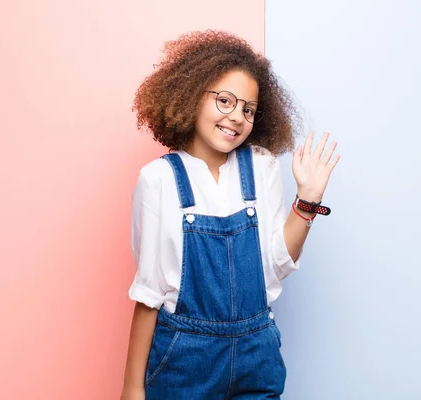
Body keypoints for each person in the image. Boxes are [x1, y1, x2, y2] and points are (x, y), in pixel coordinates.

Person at [121, 30, 340, 400]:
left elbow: (276, 264)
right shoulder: (157, 180)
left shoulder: (262, 166)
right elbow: (149, 294)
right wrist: (131, 388)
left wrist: (307, 201)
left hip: (258, 352)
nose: (236, 117)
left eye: (248, 109)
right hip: (184, 359)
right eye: (225, 101)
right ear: (191, 97)